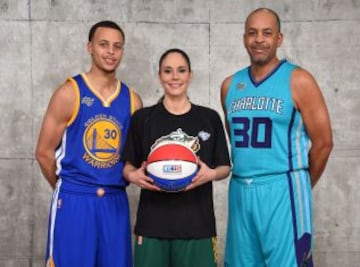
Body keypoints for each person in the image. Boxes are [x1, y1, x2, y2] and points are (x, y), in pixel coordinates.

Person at [221, 8, 333, 267]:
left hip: (283, 187)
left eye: (267, 33)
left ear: (279, 38)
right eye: (252, 33)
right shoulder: (230, 85)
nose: (259, 39)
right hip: (240, 189)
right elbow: (236, 140)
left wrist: (300, 183)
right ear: (244, 38)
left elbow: (324, 143)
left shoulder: (299, 80)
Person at [35, 20, 142, 267]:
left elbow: (132, 157)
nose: (111, 52)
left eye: (117, 46)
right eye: (103, 44)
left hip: (114, 201)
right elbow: (43, 153)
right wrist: (69, 187)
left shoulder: (133, 100)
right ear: (89, 47)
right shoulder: (69, 92)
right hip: (75, 199)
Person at [122, 48, 231, 267]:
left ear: (190, 75)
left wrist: (210, 174)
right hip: (152, 225)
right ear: (160, 75)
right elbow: (127, 166)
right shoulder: (143, 119)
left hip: (197, 226)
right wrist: (134, 177)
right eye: (168, 71)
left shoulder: (209, 118)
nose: (175, 77)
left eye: (181, 70)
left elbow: (224, 167)